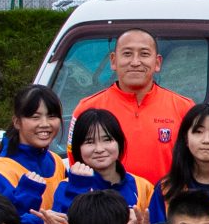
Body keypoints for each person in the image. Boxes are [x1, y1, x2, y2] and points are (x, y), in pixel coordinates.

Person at [72, 29, 195, 186]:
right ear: (113, 61)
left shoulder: (184, 108)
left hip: (167, 208)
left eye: (144, 54)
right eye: (127, 54)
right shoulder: (87, 108)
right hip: (107, 207)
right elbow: (77, 165)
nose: (135, 62)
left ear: (157, 63)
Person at [43, 111, 143, 224]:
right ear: (77, 147)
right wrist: (77, 189)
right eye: (89, 142)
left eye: (107, 140)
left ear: (119, 142)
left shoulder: (141, 186)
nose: (99, 149)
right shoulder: (67, 187)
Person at [0, 86, 68, 224]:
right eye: (35, 117)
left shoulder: (56, 161)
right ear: (17, 122)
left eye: (52, 116)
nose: (45, 124)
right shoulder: (2, 171)